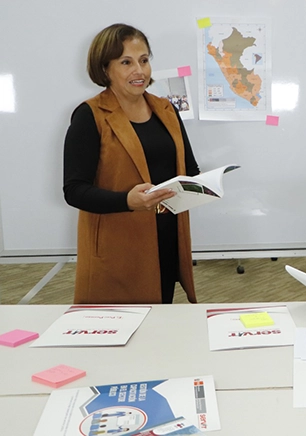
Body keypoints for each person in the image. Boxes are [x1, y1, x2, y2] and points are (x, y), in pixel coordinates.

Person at [63, 23, 199, 304]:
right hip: (118, 249)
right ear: (105, 69)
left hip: (166, 241)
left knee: (160, 323)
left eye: (144, 60)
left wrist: (203, 186)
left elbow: (189, 170)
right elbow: (74, 190)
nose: (139, 71)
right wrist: (128, 200)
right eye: (126, 62)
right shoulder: (90, 116)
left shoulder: (166, 109)